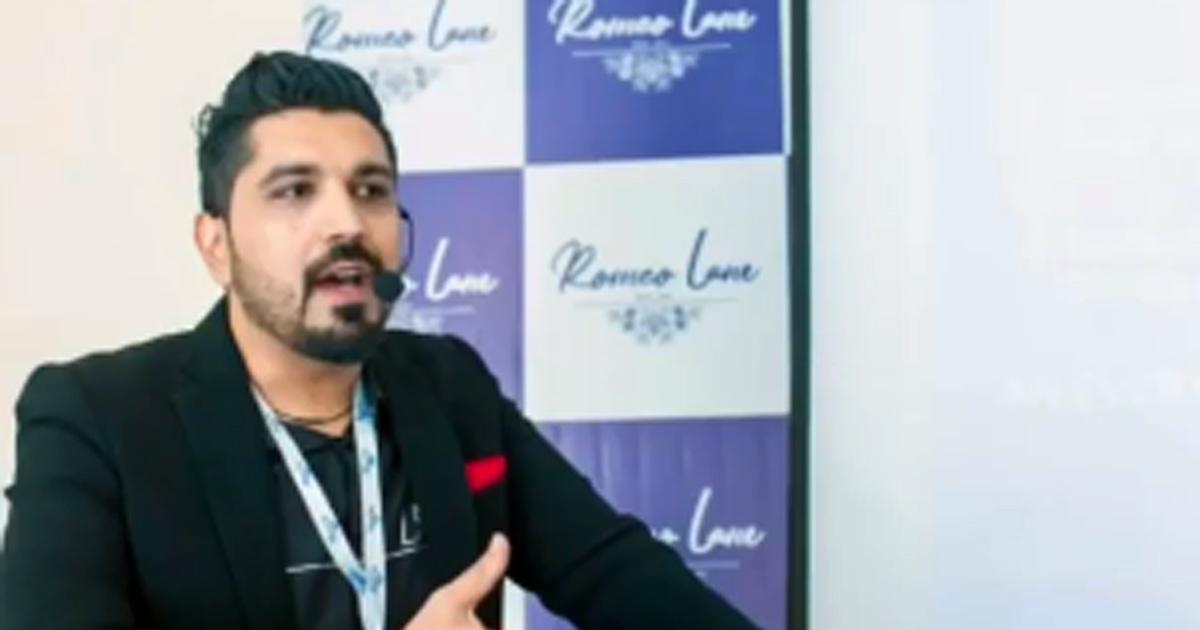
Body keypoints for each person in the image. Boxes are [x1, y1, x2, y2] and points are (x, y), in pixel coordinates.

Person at [0, 51, 759, 630]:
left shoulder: (448, 386)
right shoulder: (97, 418)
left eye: (371, 190)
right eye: (295, 191)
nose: (347, 224)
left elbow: (615, 572)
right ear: (216, 245)